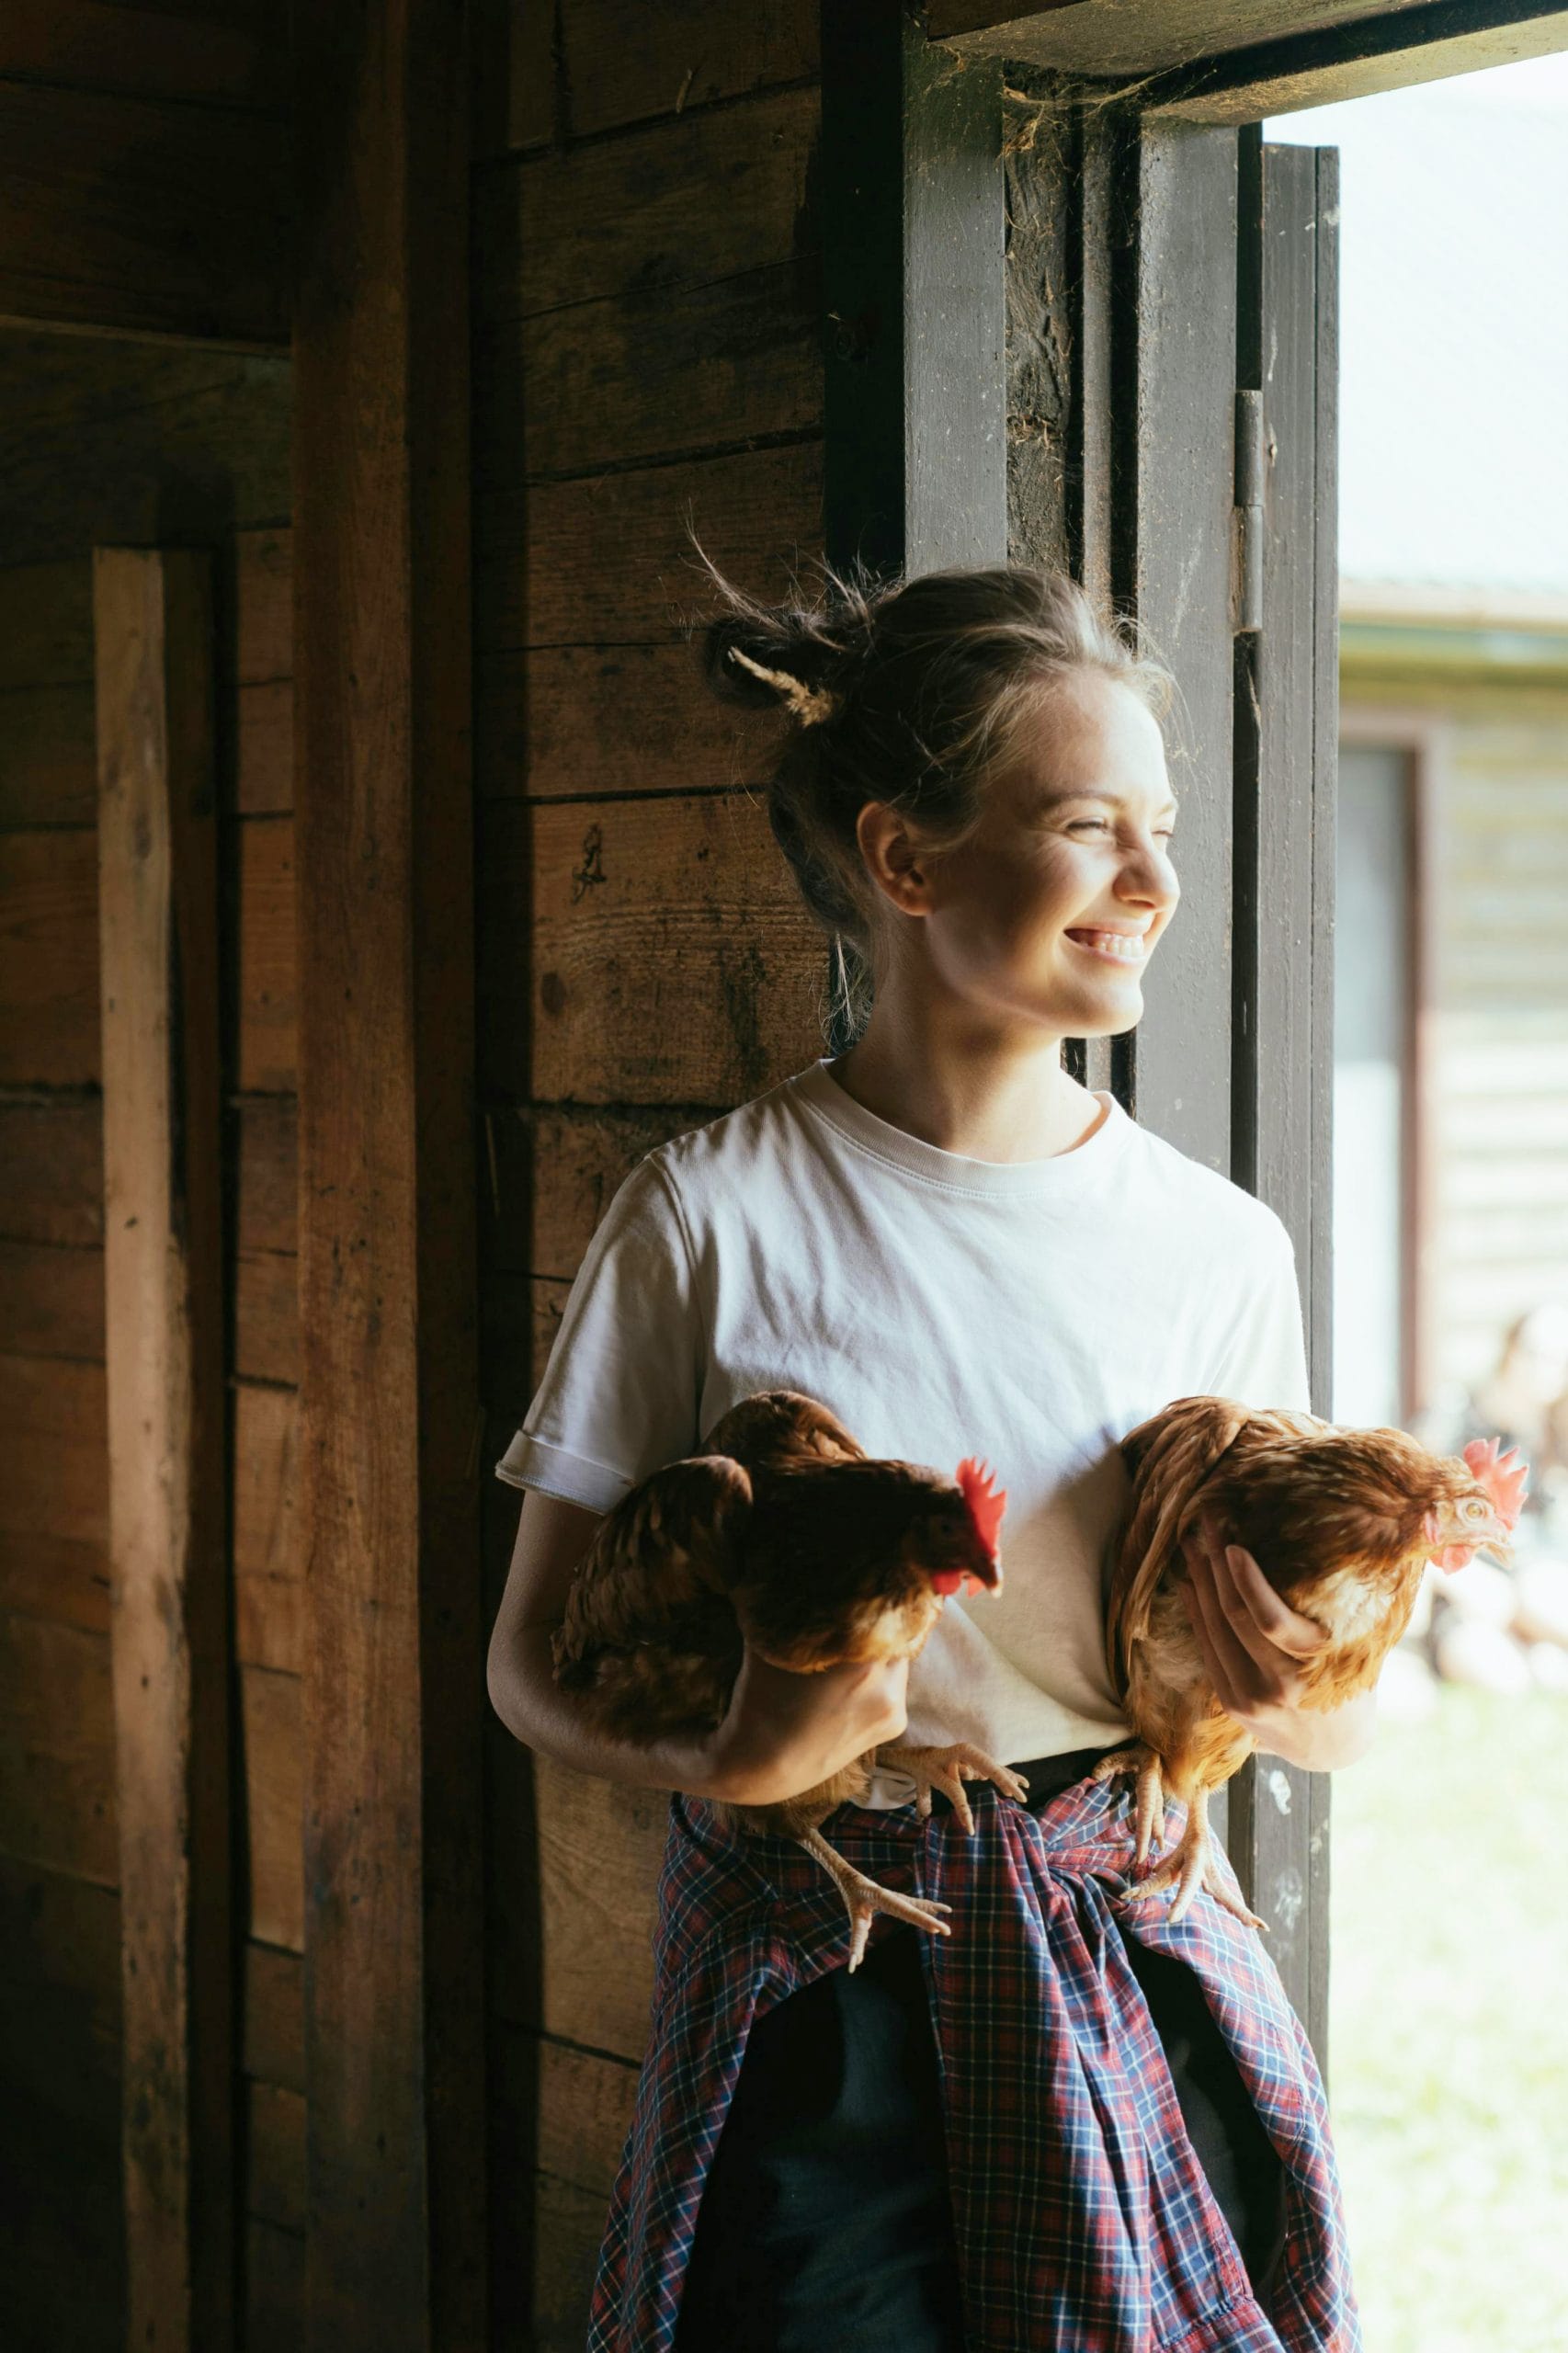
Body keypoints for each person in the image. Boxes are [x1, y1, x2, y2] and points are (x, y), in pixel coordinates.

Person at [486, 563, 1373, 2352]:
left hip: (1134, 1965)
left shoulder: (1217, 1250)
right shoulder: (710, 1217)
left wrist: (1296, 1688)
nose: (1154, 880)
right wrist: (724, 1747)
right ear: (906, 860)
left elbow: (1326, 1715)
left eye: (1165, 829)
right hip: (825, 1994)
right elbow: (526, 1665)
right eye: (1086, 827)